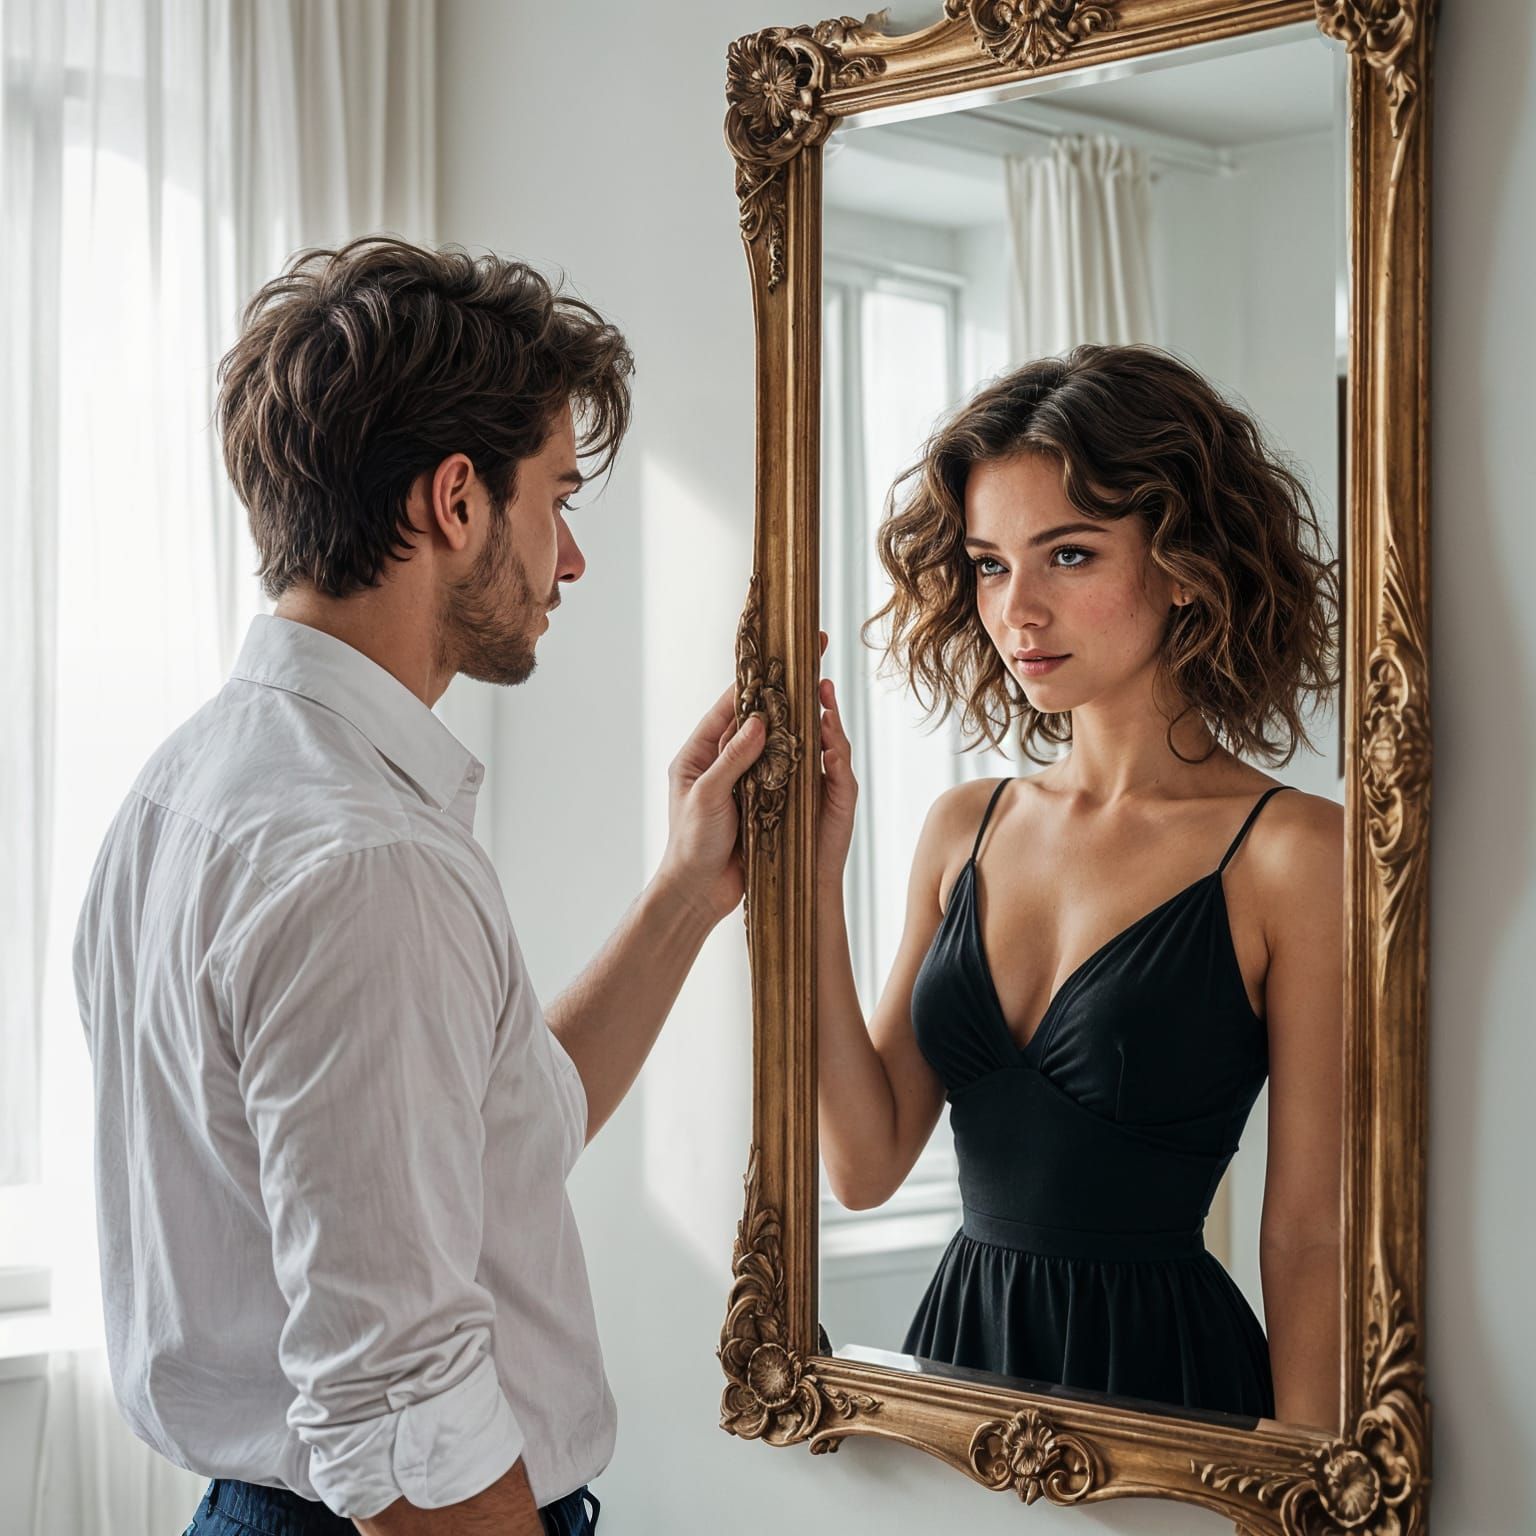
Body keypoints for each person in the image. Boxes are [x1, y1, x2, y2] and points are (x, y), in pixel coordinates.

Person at [73, 236, 765, 1535]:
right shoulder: (364, 863)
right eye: (555, 499)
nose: (570, 560)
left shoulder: (185, 788)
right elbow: (406, 1431)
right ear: (456, 501)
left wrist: (686, 892)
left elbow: (492, 1138)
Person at [814, 344, 1344, 1428]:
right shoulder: (965, 828)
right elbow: (862, 1166)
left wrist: (1298, 1481)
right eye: (989, 564)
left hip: (1170, 1391)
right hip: (959, 1369)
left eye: (1067, 555)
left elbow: (1307, 1236)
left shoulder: (1293, 855)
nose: (1018, 609)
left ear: (1185, 563)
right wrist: (813, 892)